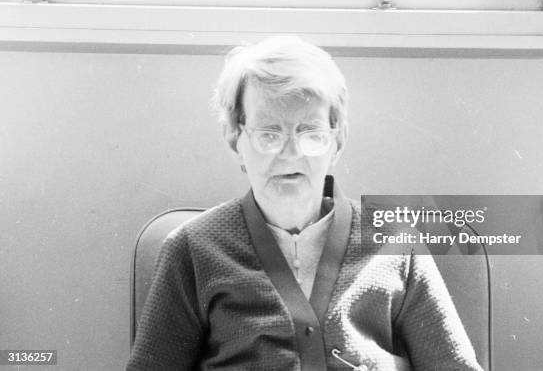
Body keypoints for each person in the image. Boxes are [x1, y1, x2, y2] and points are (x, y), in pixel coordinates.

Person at [126, 36, 483, 370]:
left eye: (310, 133)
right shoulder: (192, 249)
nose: (290, 153)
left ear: (337, 141)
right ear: (236, 140)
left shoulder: (397, 243)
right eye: (268, 134)